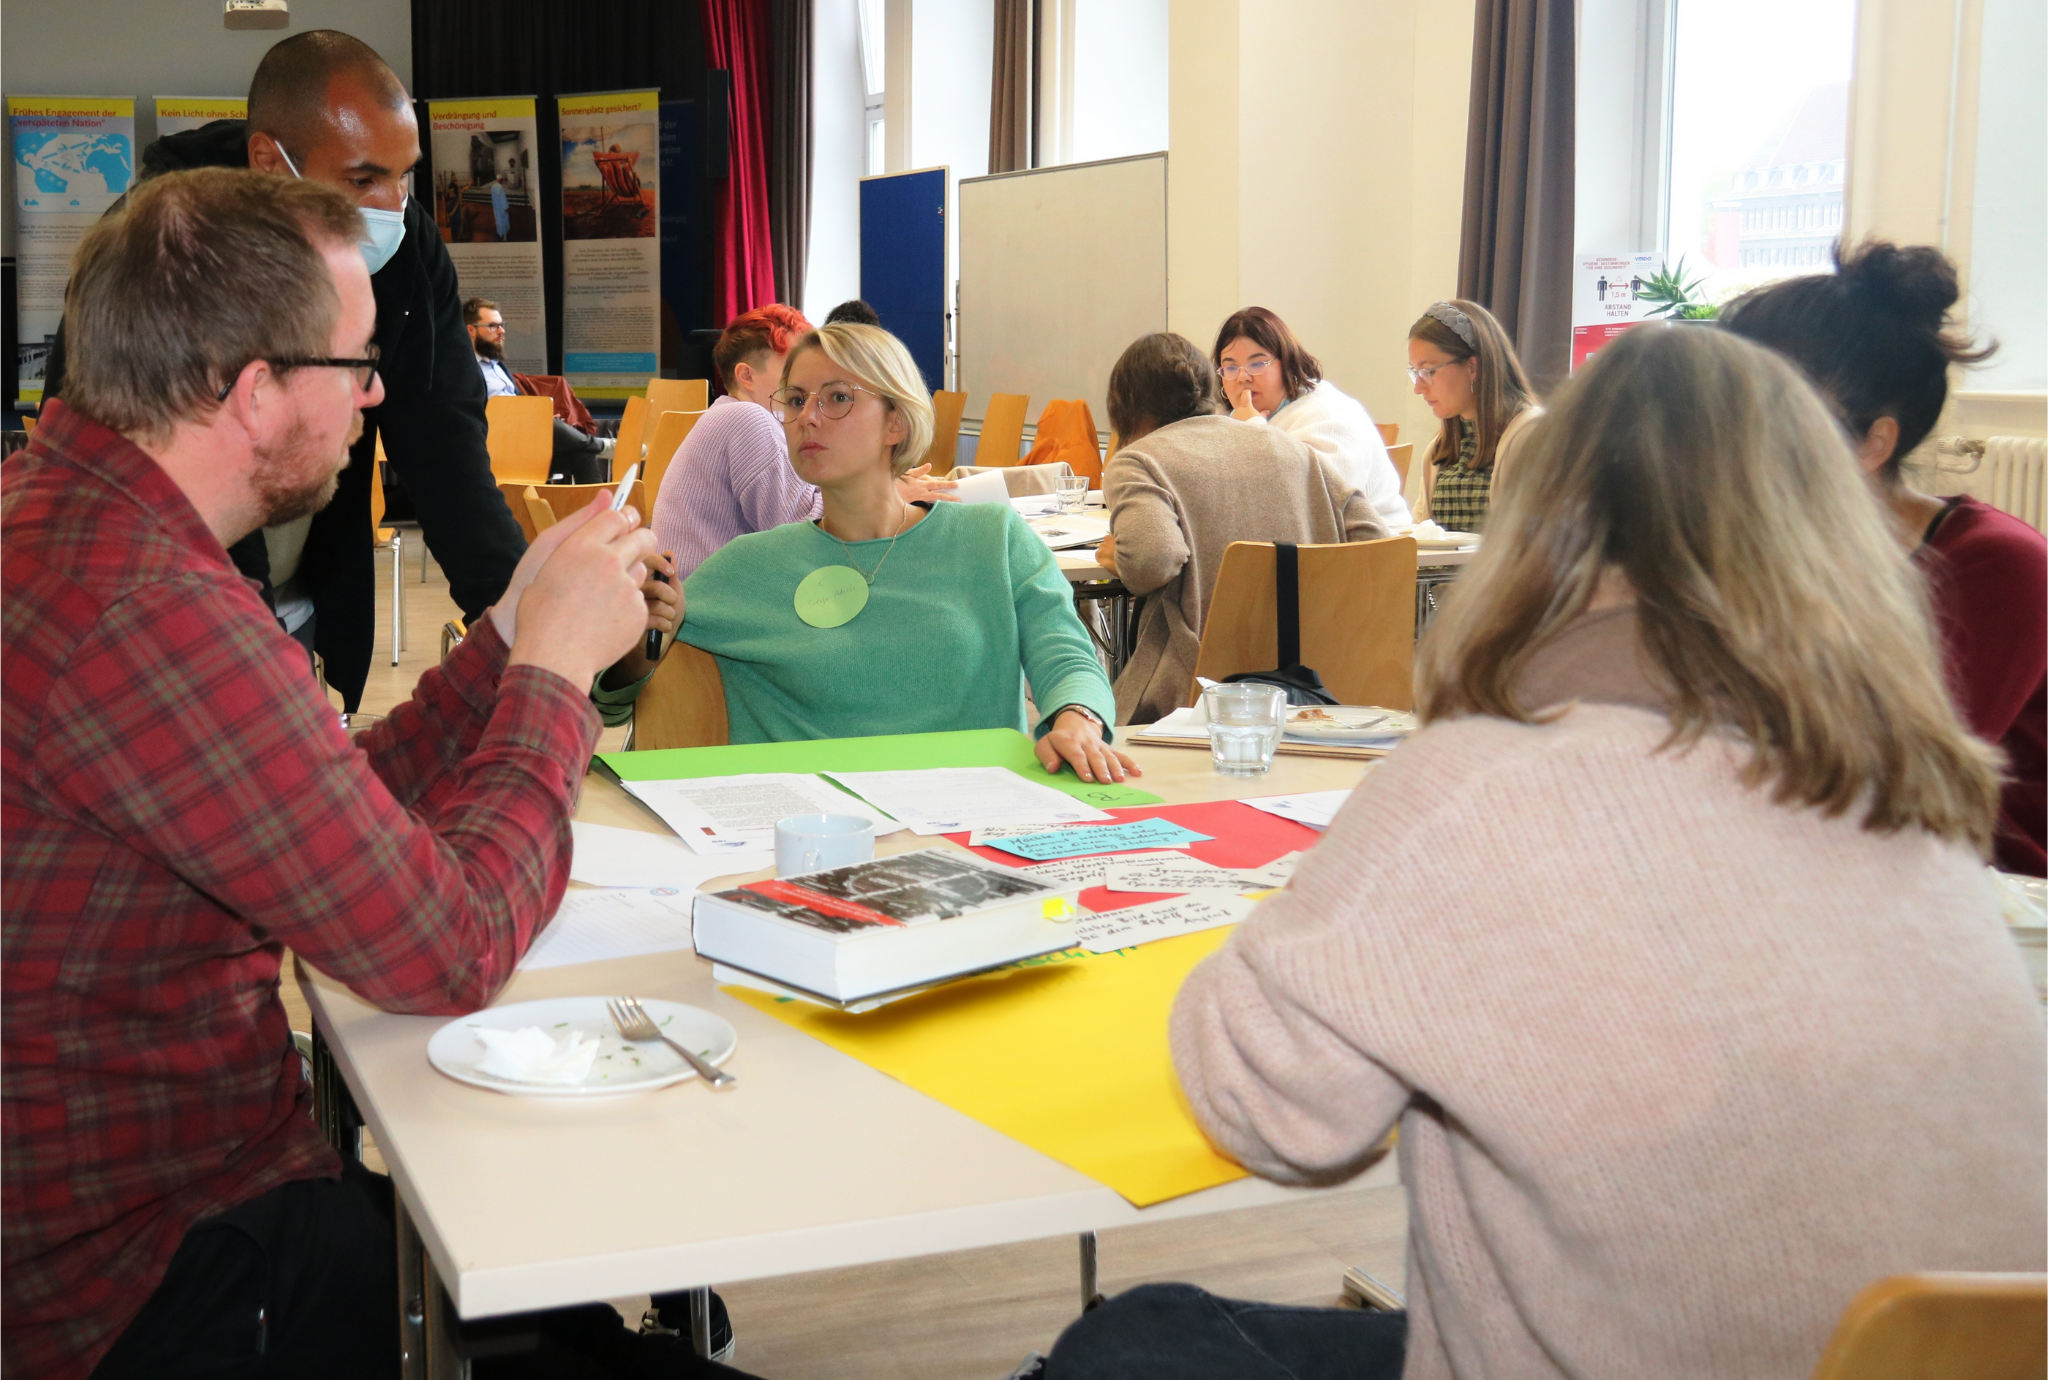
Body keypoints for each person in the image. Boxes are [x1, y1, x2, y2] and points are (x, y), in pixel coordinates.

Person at [1045, 324, 2047, 1380]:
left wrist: (1326, 902)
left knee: (1132, 1338)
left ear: (1542, 528)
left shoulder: (1482, 782)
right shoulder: (1902, 786)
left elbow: (1271, 1111)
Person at [1, 168, 763, 1380]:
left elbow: (313, 800)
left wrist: (509, 635)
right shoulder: (152, 608)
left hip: (141, 1226)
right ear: (252, 392)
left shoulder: (75, 521)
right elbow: (444, 951)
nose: (373, 392)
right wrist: (558, 677)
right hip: (167, 1276)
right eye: (354, 362)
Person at [42, 30, 529, 713]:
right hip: (156, 618)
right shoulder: (158, 248)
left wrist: (519, 620)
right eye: (362, 179)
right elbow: (112, 467)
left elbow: (444, 437)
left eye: (404, 175)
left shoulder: (411, 249)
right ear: (271, 162)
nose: (392, 204)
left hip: (299, 596)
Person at [675, 323, 1135, 782]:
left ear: (895, 421)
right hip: (817, 831)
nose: (807, 418)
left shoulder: (993, 538)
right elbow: (631, 674)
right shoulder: (749, 566)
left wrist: (1078, 720)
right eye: (796, 401)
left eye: (836, 398)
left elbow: (1066, 654)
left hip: (972, 812)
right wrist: (643, 632)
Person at [1721, 239, 2046, 876]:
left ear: (1873, 443)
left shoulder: (1997, 568)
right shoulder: (1780, 549)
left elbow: (1893, 782)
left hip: (1994, 891)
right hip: (1841, 866)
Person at [1096, 333, 1388, 724]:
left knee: (1085, 728)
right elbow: (1375, 542)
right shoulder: (1291, 449)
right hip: (1313, 681)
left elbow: (1153, 560)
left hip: (1192, 690)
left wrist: (1121, 557)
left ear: (1125, 406)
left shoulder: (1139, 460)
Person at [651, 305, 954, 584]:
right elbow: (802, 529)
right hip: (705, 610)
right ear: (746, 376)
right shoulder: (746, 418)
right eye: (793, 382)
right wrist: (887, 498)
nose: (809, 412)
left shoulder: (726, 413)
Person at [1212, 306, 1411, 528]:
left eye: (1257, 364)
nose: (1242, 377)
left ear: (1287, 362)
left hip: (1366, 551)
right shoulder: (1238, 418)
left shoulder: (1327, 415)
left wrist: (1251, 434)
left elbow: (1314, 508)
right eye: (1230, 367)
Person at [1407, 298, 1541, 533]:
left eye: (1428, 371)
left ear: (1472, 368)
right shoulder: (1439, 449)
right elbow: (1422, 535)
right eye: (1415, 372)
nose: (1418, 387)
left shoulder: (1533, 435)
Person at [466, 296, 614, 484]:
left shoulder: (497, 367)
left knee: (583, 454)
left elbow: (520, 404)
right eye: (493, 326)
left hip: (523, 441)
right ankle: (601, 445)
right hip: (495, 448)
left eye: (502, 325)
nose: (502, 331)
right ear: (471, 330)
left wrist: (535, 421)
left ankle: (597, 510)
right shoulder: (464, 370)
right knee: (545, 422)